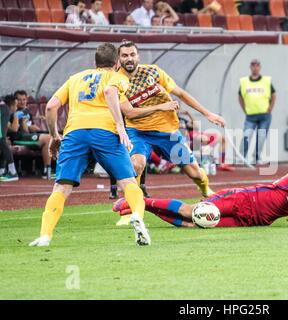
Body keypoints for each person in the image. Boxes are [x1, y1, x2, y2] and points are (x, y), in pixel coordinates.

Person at [28, 43, 179, 247]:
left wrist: (55, 136)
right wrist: (119, 125)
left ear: (95, 62)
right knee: (128, 183)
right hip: (105, 132)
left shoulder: (75, 79)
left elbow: (51, 106)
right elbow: (110, 92)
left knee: (61, 187)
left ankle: (45, 236)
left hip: (74, 133)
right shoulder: (118, 78)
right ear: (117, 63)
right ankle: (137, 216)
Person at [116, 40, 225, 225]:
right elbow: (129, 112)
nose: (129, 59)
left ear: (138, 56)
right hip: (138, 131)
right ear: (119, 58)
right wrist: (162, 106)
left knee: (195, 173)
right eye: (125, 55)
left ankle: (206, 190)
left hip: (167, 130)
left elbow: (181, 94)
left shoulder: (153, 72)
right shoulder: (116, 81)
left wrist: (207, 113)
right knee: (137, 164)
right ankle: (131, 211)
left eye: (132, 54)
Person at [113, 160, 288, 228]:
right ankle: (139, 201)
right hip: (242, 199)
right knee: (191, 211)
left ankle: (143, 207)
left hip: (253, 221)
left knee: (196, 224)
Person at [239, 59, 276, 164]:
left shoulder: (266, 81)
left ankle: (256, 158)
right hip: (250, 116)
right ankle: (242, 158)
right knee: (247, 136)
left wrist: (270, 107)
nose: (255, 68)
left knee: (261, 137)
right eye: (253, 65)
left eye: (257, 65)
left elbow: (274, 95)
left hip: (265, 115)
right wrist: (244, 108)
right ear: (250, 67)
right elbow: (240, 96)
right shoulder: (244, 81)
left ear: (260, 67)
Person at [11, 90, 53, 179]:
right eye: (19, 100)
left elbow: (31, 125)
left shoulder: (27, 112)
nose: (22, 102)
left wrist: (34, 128)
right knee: (47, 138)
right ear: (15, 101)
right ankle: (47, 171)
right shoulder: (14, 113)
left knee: (56, 137)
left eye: (24, 99)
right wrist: (27, 127)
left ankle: (50, 169)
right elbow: (22, 130)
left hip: (29, 136)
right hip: (20, 138)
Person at [0, 95, 18, 182]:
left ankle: (12, 172)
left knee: (2, 141)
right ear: (12, 105)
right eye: (16, 105)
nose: (16, 108)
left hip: (3, 109)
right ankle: (2, 171)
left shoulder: (4, 109)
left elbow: (13, 128)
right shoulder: (5, 109)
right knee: (2, 142)